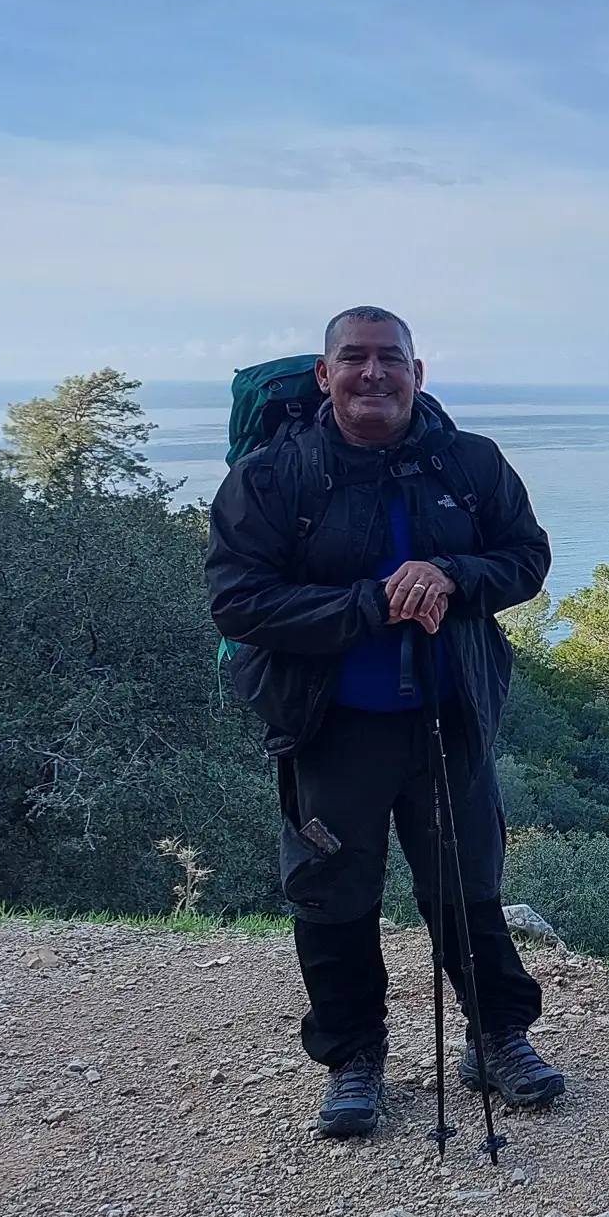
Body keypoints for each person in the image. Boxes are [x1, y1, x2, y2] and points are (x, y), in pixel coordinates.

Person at [206, 306, 564, 1137]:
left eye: (390, 359)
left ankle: (499, 1037)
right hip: (331, 727)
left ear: (418, 372)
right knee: (332, 898)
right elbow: (237, 599)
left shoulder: (469, 464)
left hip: (450, 714)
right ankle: (353, 1059)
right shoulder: (273, 479)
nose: (375, 374)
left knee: (468, 889)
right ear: (325, 375)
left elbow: (525, 559)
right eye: (355, 359)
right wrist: (372, 604)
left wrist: (448, 573)